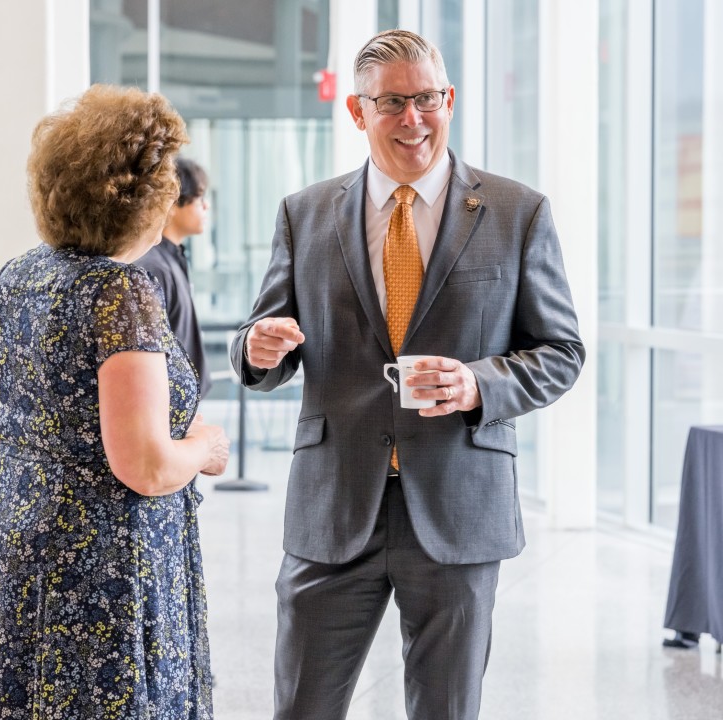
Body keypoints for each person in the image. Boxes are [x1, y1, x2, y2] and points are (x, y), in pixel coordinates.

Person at [230, 30, 585, 720]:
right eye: (392, 103)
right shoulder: (305, 214)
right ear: (357, 113)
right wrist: (257, 347)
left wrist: (480, 384)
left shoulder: (517, 212)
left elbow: (561, 351)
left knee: (446, 710)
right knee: (302, 706)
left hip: (457, 506)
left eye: (426, 99)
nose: (413, 119)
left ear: (448, 99)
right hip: (334, 510)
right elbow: (264, 333)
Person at [0, 84, 229, 719]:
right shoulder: (119, 294)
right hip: (104, 563)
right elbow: (147, 466)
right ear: (151, 199)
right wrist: (204, 447)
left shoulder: (17, 276)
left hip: (11, 545)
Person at [136, 158, 212, 397]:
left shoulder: (172, 258)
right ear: (172, 201)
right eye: (199, 198)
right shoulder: (152, 267)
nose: (206, 207)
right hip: (169, 409)